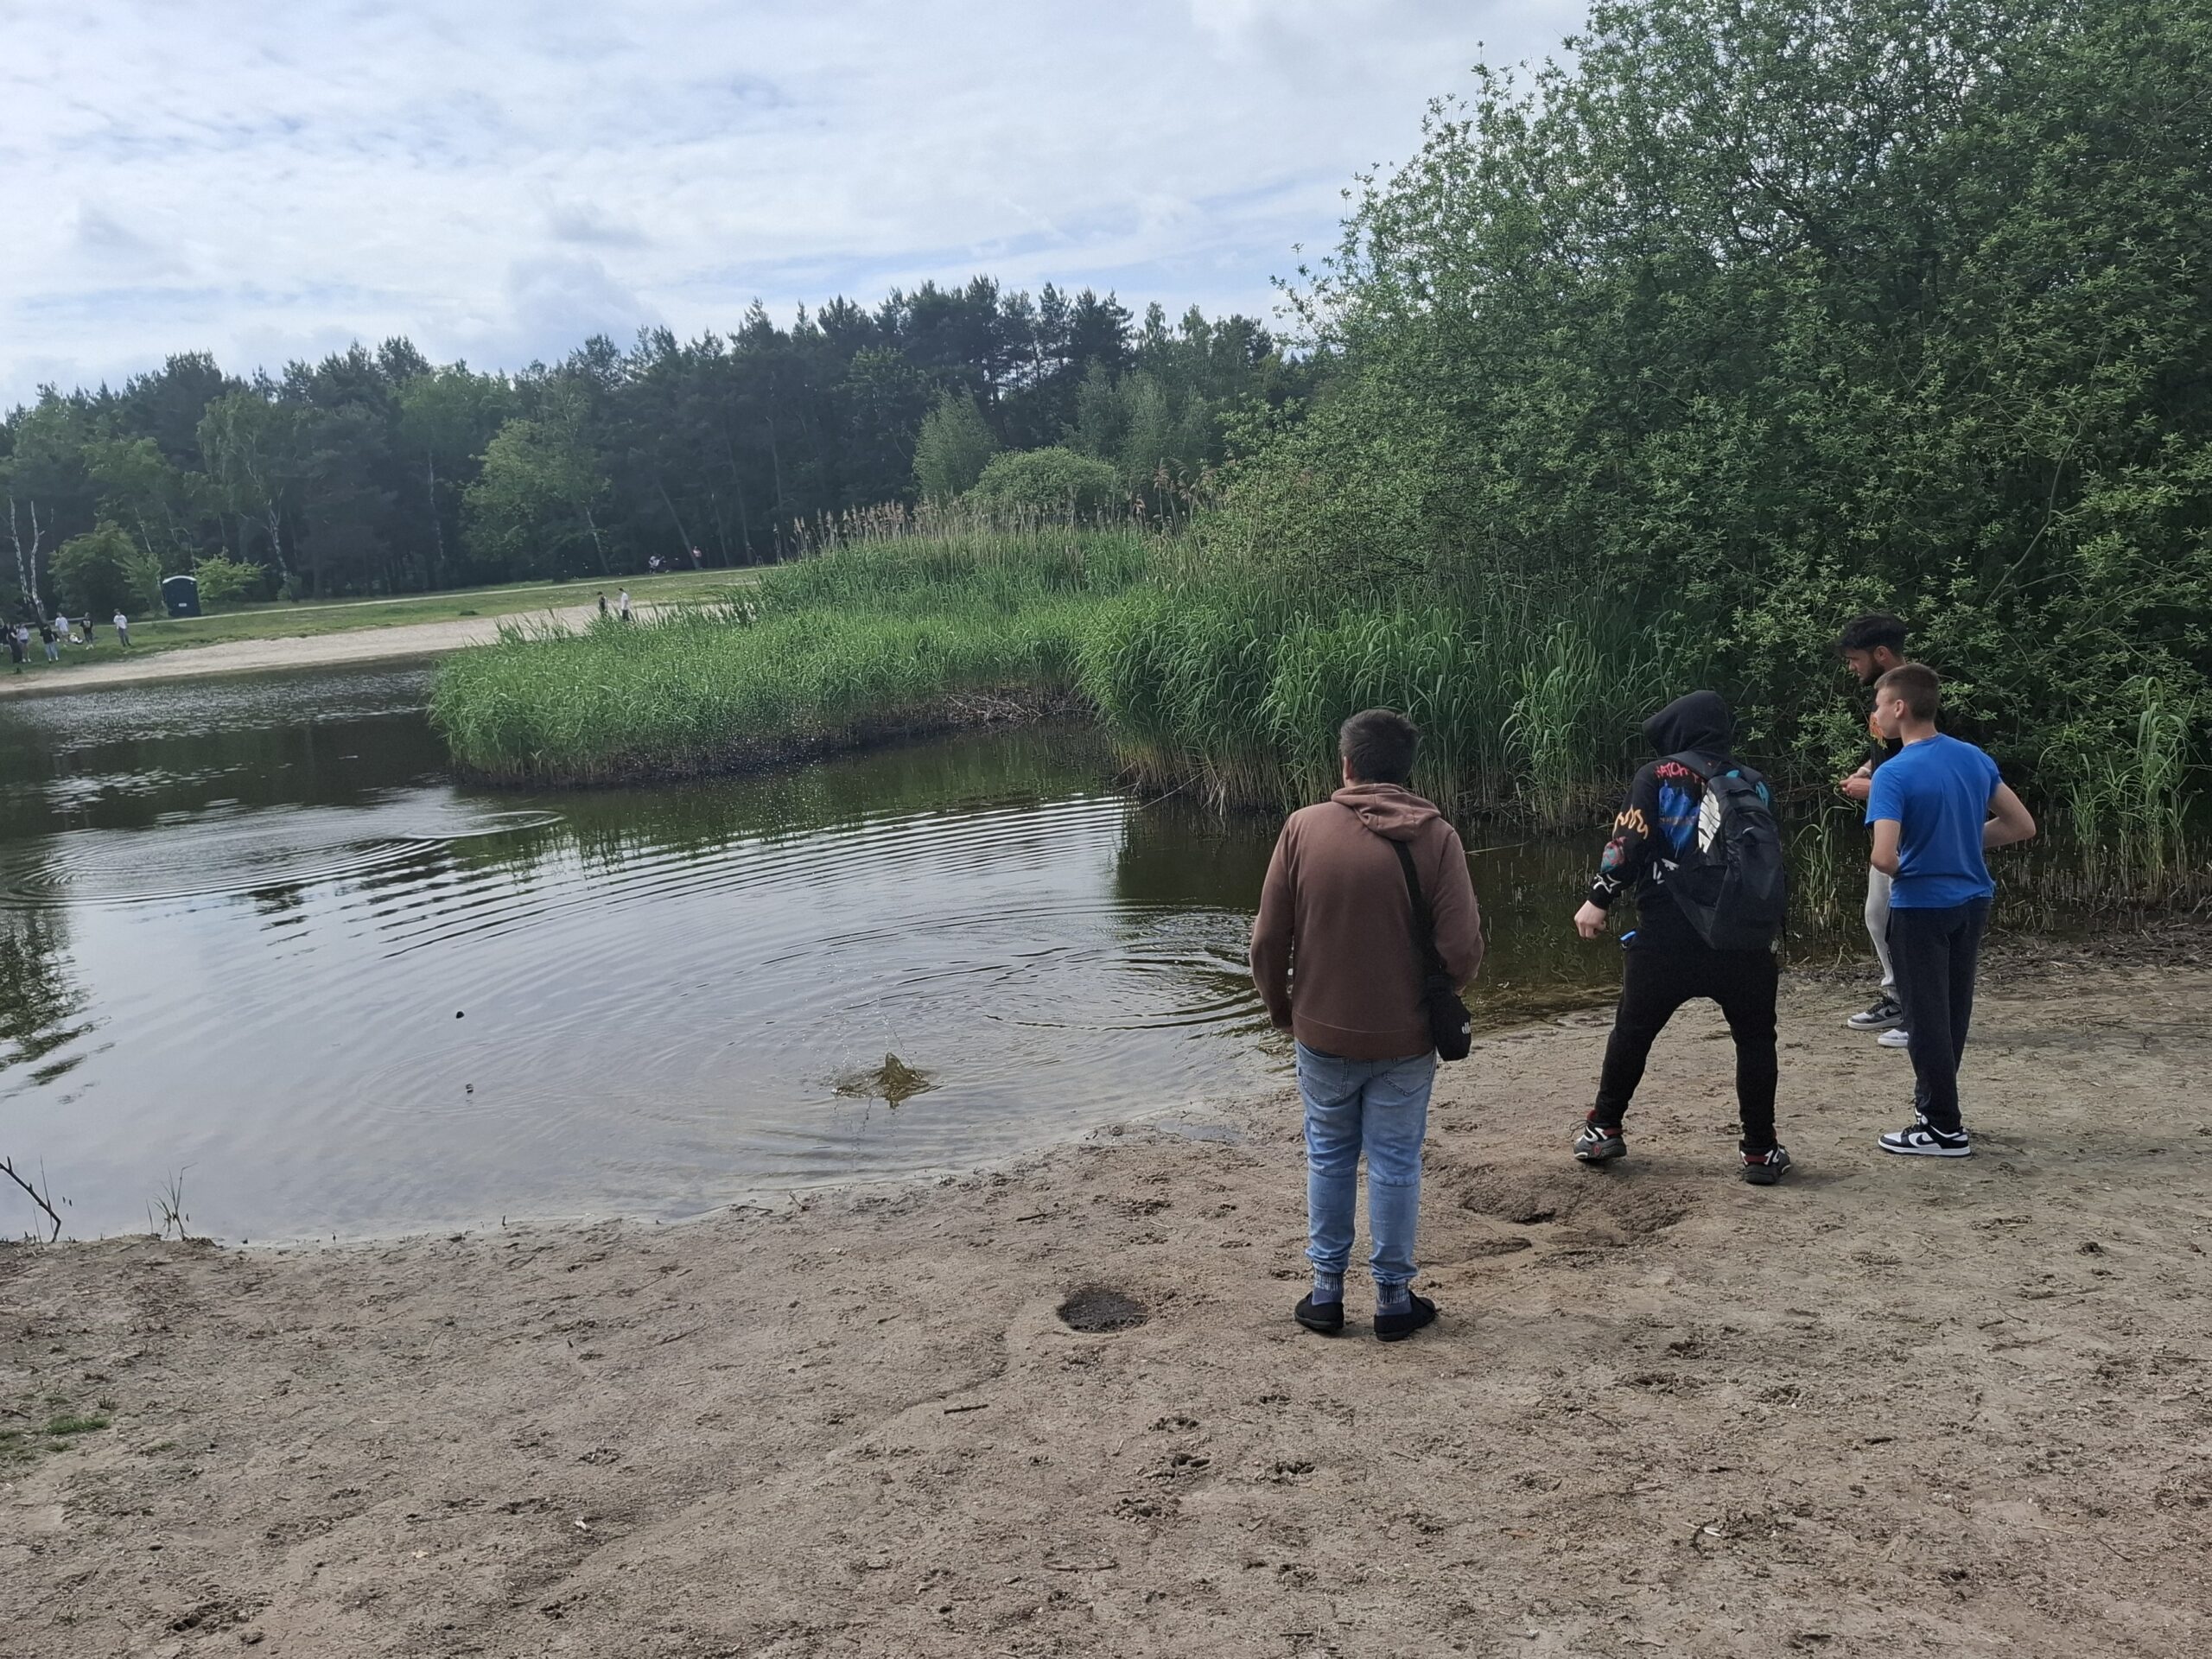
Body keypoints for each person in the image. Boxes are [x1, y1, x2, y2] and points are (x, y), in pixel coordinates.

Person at [1250, 709, 1484, 1342]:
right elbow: (1462, 948)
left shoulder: (1303, 828)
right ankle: (1392, 1300)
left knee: (1328, 1156)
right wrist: (1438, 996)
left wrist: (1281, 1008)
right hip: (1407, 1039)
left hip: (1321, 1033)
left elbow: (1268, 941)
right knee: (1395, 1162)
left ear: (1347, 764)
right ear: (1406, 771)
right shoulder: (1438, 837)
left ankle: (1326, 1294)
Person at [1572, 690, 1794, 1184]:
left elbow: (1627, 843)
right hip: (1743, 936)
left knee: (1633, 1032)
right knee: (1756, 1040)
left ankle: (1604, 1129)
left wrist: (1598, 898)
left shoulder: (1656, 775)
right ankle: (1760, 1150)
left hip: (1667, 933)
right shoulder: (1754, 782)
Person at [1865, 664, 2036, 1156]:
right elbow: (2021, 825)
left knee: (1925, 1018)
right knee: (1953, 1010)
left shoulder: (1893, 772)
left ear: (1899, 707)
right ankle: (1939, 1112)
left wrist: (1921, 863)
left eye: (1879, 705)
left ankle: (1942, 1126)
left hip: (1920, 906)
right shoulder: (1972, 757)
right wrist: (1958, 844)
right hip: (1973, 901)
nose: (1876, 714)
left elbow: (1883, 856)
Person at [1834, 614, 1912, 1047]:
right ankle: (1899, 998)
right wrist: (1866, 770)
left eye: (1855, 658)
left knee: (1901, 920)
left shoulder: (1911, 697)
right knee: (1878, 913)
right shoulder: (1885, 697)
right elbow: (1887, 751)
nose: (1852, 667)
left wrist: (1875, 786)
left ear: (1880, 654)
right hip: (1889, 820)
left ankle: (1915, 1008)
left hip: (1910, 827)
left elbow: (1925, 763)